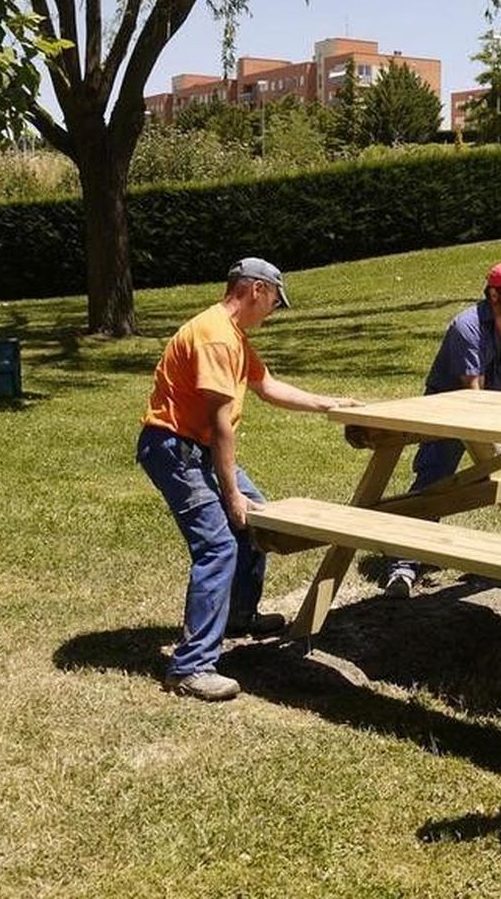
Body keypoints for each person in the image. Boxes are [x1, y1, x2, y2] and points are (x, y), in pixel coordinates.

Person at [137, 257, 356, 701]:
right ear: (256, 290)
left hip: (193, 446)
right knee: (218, 544)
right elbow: (221, 427)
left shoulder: (232, 335)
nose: (273, 311)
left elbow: (267, 386)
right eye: (274, 301)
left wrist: (327, 404)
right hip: (175, 449)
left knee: (258, 522)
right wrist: (232, 493)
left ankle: (238, 615)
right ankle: (190, 667)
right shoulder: (216, 337)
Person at [380, 261, 501, 597]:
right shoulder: (467, 327)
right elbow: (471, 392)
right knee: (434, 484)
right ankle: (402, 566)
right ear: (494, 294)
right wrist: (492, 439)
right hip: (449, 408)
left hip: (494, 407)